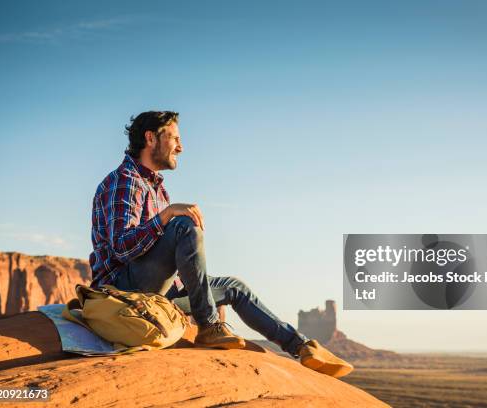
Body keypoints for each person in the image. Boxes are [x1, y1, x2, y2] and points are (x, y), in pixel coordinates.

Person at [89, 110, 352, 378]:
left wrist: (193, 284)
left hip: (156, 291)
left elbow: (162, 256)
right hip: (121, 290)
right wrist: (167, 215)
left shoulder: (157, 188)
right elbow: (121, 247)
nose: (181, 146)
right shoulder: (124, 182)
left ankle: (302, 347)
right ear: (150, 138)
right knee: (184, 224)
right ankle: (209, 326)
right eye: (175, 138)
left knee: (234, 288)